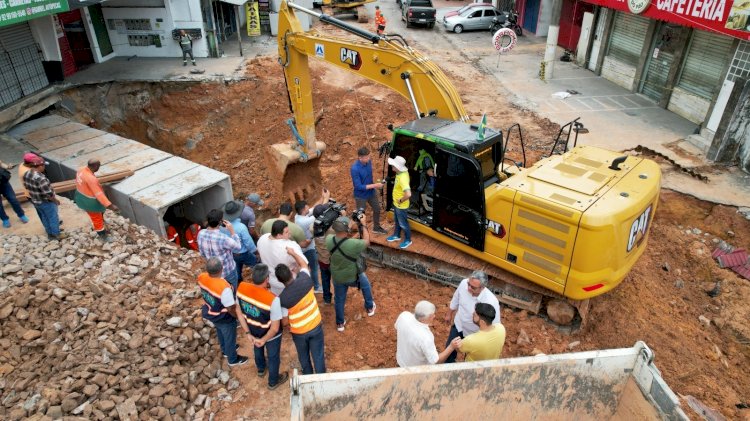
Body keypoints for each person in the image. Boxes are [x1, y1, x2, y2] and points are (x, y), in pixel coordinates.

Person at [235, 263, 288, 389]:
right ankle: (273, 382)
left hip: (253, 329)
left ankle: (261, 369)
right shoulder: (272, 300)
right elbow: (275, 328)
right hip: (270, 335)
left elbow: (238, 311)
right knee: (273, 356)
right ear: (267, 279)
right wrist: (264, 340)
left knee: (257, 347)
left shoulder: (242, 287)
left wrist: (248, 333)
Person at [278, 248, 327, 375]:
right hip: (315, 326)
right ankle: (321, 378)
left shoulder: (282, 299)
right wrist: (293, 253)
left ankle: (307, 377)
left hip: (299, 332)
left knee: (303, 357)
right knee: (318, 356)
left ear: (279, 281)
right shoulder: (305, 279)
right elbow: (304, 265)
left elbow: (284, 322)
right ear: (291, 272)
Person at [326, 215, 376, 332]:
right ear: (346, 230)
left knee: (339, 299)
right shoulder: (352, 244)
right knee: (366, 285)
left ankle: (340, 323)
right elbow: (367, 241)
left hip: (337, 276)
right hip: (352, 276)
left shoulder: (329, 239)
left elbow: (341, 234)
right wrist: (363, 224)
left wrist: (348, 224)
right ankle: (369, 308)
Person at [198, 257, 248, 367]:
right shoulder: (223, 287)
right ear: (221, 269)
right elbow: (230, 308)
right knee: (229, 335)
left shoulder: (202, 277)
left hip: (211, 311)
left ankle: (225, 350)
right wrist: (236, 317)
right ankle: (233, 359)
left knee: (220, 331)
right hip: (223, 316)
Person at [444, 270, 500, 363]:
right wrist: (449, 314)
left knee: (470, 356)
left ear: (482, 288)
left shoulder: (491, 301)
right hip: (459, 326)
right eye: (468, 284)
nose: (469, 288)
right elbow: (456, 298)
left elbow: (495, 324)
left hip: (474, 334)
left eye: (473, 287)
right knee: (449, 350)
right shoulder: (463, 284)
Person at [395, 301, 461, 367]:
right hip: (416, 370)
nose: (434, 316)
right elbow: (436, 361)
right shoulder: (425, 337)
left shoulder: (404, 316)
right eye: (433, 314)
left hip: (401, 362)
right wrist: (451, 347)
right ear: (428, 317)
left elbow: (397, 327)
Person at [21, 153, 67, 240]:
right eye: (43, 165)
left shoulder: (27, 174)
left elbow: (26, 186)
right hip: (46, 202)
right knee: (53, 217)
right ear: (39, 166)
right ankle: (56, 234)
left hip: (36, 201)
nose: (44, 167)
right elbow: (48, 194)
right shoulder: (41, 178)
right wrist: (55, 200)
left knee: (44, 217)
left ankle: (50, 233)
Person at [294, 191, 331, 294]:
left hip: (303, 247)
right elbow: (321, 212)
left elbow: (315, 208)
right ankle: (316, 287)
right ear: (303, 209)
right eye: (307, 207)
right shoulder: (306, 221)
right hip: (309, 248)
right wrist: (326, 198)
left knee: (309, 266)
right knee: (314, 268)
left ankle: (311, 284)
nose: (308, 208)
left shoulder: (297, 217)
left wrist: (321, 197)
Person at [256, 220, 307, 295]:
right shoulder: (290, 246)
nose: (290, 233)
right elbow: (304, 264)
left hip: (272, 280)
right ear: (279, 235)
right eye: (286, 232)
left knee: (278, 300)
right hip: (289, 282)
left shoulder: (262, 238)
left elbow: (259, 253)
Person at [75, 159, 119, 242]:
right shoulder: (91, 179)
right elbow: (100, 195)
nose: (99, 167)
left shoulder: (81, 170)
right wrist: (111, 206)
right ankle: (103, 237)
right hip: (89, 201)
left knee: (99, 213)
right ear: (95, 166)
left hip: (80, 196)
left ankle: (101, 222)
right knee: (96, 218)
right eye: (99, 165)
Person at [197, 209, 242, 290]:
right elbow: (238, 248)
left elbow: (202, 254)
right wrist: (232, 231)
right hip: (228, 272)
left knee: (218, 291)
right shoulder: (223, 238)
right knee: (231, 292)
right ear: (220, 222)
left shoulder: (200, 233)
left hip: (213, 273)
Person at [350, 147, 387, 235]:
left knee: (377, 209)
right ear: (360, 158)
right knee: (361, 215)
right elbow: (358, 186)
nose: (369, 159)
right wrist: (375, 185)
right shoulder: (354, 169)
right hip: (360, 195)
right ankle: (361, 232)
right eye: (366, 157)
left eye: (368, 156)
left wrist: (374, 185)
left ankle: (376, 227)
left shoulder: (368, 162)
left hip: (371, 192)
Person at [224, 200, 257, 282]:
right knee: (257, 264)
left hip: (231, 253)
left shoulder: (222, 226)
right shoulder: (241, 227)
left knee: (237, 270)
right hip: (243, 253)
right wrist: (255, 251)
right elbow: (248, 243)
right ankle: (258, 280)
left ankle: (239, 284)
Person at [386, 155, 412, 249]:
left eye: (393, 166)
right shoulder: (400, 173)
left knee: (403, 224)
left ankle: (408, 240)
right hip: (397, 204)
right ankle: (396, 235)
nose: (392, 168)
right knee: (397, 221)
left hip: (401, 205)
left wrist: (400, 200)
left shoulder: (403, 178)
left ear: (397, 167)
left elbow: (408, 194)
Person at [312, 204, 336, 305]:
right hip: (333, 260)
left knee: (325, 279)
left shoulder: (312, 227)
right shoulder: (332, 229)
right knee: (337, 280)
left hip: (322, 259)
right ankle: (339, 297)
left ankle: (327, 299)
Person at [0, 160, 29, 228]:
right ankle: (5, 219)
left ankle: (21, 215)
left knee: (13, 200)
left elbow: (0, 163)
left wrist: (7, 167)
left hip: (3, 182)